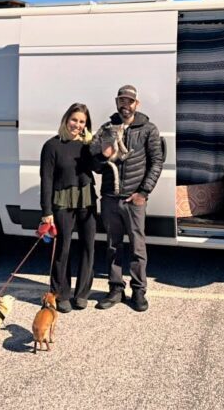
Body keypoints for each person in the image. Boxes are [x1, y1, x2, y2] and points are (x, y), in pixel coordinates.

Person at [92, 85, 164, 312]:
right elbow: (94, 163)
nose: (126, 105)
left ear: (136, 104)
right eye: (122, 101)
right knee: (113, 245)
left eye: (130, 101)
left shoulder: (148, 129)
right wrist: (102, 157)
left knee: (137, 246)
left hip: (134, 199)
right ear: (116, 102)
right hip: (111, 197)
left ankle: (139, 291)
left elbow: (156, 162)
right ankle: (115, 289)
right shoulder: (106, 129)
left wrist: (143, 192)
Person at [39, 103, 97, 313]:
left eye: (82, 122)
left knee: (88, 246)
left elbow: (97, 168)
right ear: (66, 119)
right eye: (74, 120)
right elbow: (46, 180)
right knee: (63, 248)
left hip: (87, 198)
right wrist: (46, 211)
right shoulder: (52, 146)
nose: (78, 125)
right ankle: (61, 293)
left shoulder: (87, 145)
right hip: (62, 201)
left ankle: (82, 294)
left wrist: (95, 149)